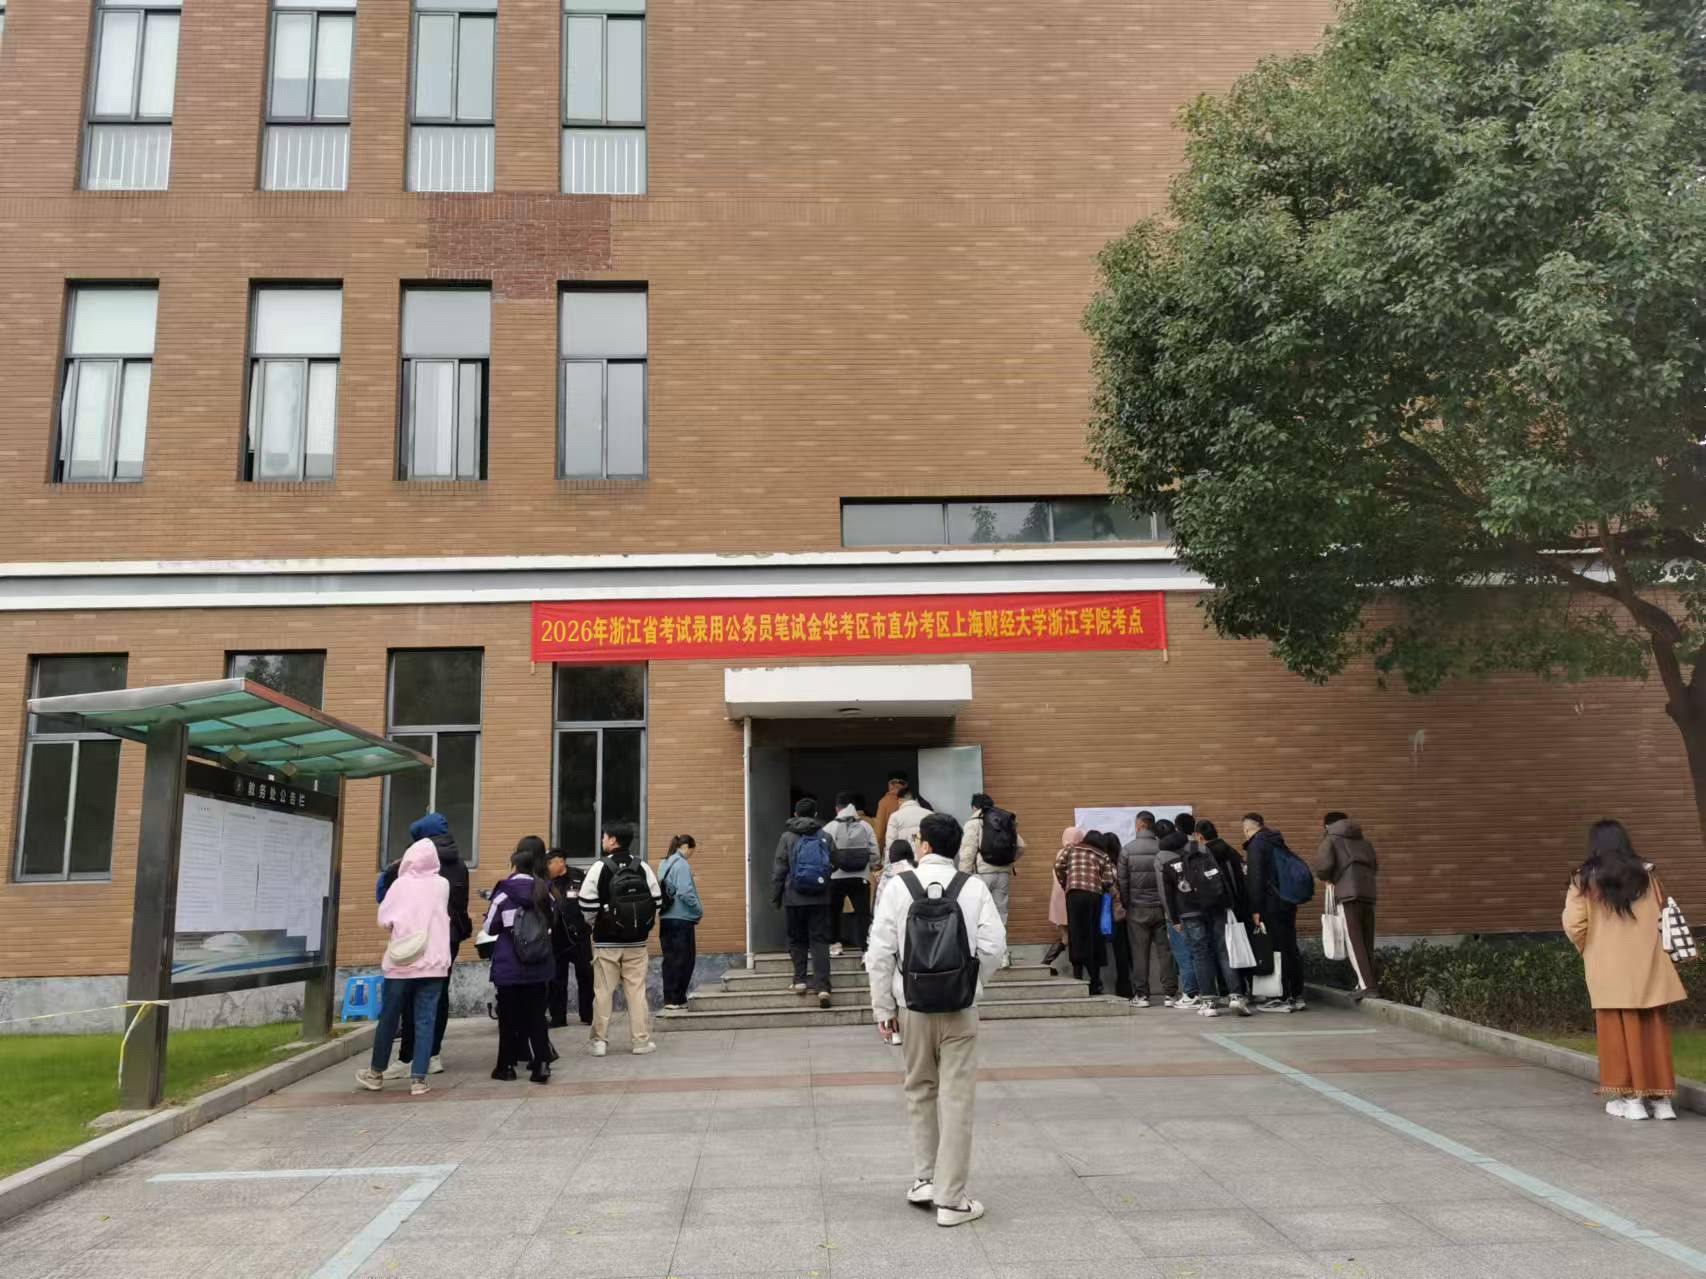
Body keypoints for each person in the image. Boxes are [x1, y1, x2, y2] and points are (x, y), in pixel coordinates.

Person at [864, 811, 1006, 1228]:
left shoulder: (899, 886)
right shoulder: (972, 886)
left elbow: (879, 953)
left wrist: (883, 1009)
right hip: (960, 1009)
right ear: (956, 846)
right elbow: (994, 947)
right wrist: (970, 981)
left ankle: (925, 1179)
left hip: (912, 1007)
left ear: (924, 844)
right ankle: (952, 1200)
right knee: (956, 1099)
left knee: (919, 1091)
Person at [1563, 820, 1686, 1120]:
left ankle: (1632, 1101)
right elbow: (1662, 913)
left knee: (1616, 1037)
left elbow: (1574, 924)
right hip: (1650, 967)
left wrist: (1593, 949)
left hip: (1609, 971)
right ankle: (1662, 1103)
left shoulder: (1584, 879)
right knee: (1654, 1035)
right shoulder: (1648, 874)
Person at [376, 812, 472, 1078]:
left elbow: (385, 900)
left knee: (408, 997)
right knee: (437, 997)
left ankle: (407, 1057)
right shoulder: (460, 865)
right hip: (447, 939)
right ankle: (432, 1055)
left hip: (413, 939)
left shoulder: (412, 866)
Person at [357, 838, 451, 1096]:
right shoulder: (442, 884)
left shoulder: (399, 885)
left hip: (402, 961)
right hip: (434, 963)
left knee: (389, 1017)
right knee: (425, 1020)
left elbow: (384, 920)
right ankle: (418, 1080)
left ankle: (376, 1073)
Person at [577, 821, 664, 1056]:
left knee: (603, 992)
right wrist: (641, 926)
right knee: (636, 992)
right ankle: (640, 1042)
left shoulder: (599, 867)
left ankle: (599, 1042)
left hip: (606, 942)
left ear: (613, 840)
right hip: (637, 942)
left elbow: (586, 903)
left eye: (604, 836)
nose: (602, 840)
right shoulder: (642, 866)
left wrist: (597, 924)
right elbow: (657, 901)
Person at [480, 837, 557, 1082]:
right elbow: (553, 921)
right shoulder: (544, 891)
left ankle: (506, 1067)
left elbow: (489, 928)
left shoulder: (503, 892)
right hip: (539, 965)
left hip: (509, 966)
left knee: (508, 1019)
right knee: (537, 1016)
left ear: (514, 866)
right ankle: (541, 1064)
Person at [1163, 820, 1251, 1017]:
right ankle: (1236, 996)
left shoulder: (1170, 865)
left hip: (1190, 914)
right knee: (1224, 951)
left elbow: (1169, 895)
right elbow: (1223, 881)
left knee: (1200, 954)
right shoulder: (1208, 857)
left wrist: (1174, 919)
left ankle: (1209, 1002)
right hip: (1217, 908)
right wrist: (1229, 905)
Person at [772, 798, 837, 1007]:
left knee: (797, 939)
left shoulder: (787, 837)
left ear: (796, 814)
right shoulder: (825, 836)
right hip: (820, 897)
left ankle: (800, 980)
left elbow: (780, 868)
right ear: (815, 814)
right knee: (819, 941)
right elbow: (834, 862)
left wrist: (776, 895)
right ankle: (823, 987)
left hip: (794, 897)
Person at [1242, 813, 1305, 1013]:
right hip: (1287, 902)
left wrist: (1255, 909)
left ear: (1247, 829)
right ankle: (1296, 994)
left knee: (1277, 949)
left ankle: (1282, 997)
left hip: (1271, 905)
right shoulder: (1277, 842)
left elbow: (1256, 880)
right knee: (1290, 947)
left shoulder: (1256, 845)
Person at [1313, 812, 1379, 997]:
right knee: (1366, 941)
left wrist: (1327, 878)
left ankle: (1368, 987)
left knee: (1354, 941)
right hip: (1368, 894)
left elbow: (1323, 867)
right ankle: (1365, 983)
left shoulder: (1330, 840)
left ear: (1327, 825)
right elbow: (1375, 866)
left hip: (1347, 895)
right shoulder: (1365, 842)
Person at [958, 793, 1025, 968]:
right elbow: (1021, 846)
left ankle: (977, 955)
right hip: (1003, 874)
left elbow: (968, 851)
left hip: (982, 874)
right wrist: (1008, 861)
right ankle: (1003, 956)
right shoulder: (1003, 820)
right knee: (1001, 915)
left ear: (974, 807)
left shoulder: (974, 822)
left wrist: (962, 877)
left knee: (977, 914)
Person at [1118, 812, 1176, 1008]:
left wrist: (1127, 905)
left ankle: (1142, 995)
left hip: (1137, 909)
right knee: (1165, 952)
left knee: (1139, 953)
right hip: (1162, 908)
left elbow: (1122, 882)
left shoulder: (1127, 850)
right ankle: (1170, 994)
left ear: (1139, 825)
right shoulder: (1163, 848)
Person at [1054, 827, 1114, 996]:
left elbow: (1058, 865)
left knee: (1075, 934)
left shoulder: (1071, 849)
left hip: (1074, 895)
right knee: (1093, 936)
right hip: (1094, 897)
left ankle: (1078, 978)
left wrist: (1066, 883)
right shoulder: (1102, 855)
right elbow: (1109, 880)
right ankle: (1095, 982)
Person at [544, 849, 594, 1027]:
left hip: (579, 936)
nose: (547, 866)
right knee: (556, 979)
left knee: (586, 975)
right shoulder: (546, 882)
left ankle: (588, 1015)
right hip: (556, 937)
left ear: (561, 862)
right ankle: (558, 1017)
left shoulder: (579, 877)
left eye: (549, 862)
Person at [826, 792, 879, 956]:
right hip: (860, 876)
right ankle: (866, 947)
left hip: (836, 876)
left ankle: (835, 944)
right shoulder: (865, 826)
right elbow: (874, 851)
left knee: (833, 911)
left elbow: (824, 852)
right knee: (863, 913)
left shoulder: (830, 827)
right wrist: (870, 868)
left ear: (837, 808)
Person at [1156, 817, 1200, 1009]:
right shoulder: (1196, 848)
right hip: (1199, 909)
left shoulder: (1162, 857)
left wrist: (1171, 916)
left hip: (1178, 911)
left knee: (1183, 952)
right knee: (1200, 952)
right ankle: (1206, 991)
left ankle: (1190, 993)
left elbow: (1164, 891)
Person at [658, 834, 704, 1009]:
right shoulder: (682, 864)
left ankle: (669, 999)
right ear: (685, 847)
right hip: (682, 918)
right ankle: (677, 998)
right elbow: (685, 892)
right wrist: (698, 909)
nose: (691, 855)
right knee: (685, 959)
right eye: (691, 851)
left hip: (666, 918)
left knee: (669, 959)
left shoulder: (664, 863)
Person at [873, 771, 910, 856]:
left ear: (890, 785)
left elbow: (879, 833)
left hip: (893, 850)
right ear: (906, 785)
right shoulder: (915, 801)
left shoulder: (884, 802)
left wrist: (877, 855)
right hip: (912, 849)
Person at [884, 787, 932, 851]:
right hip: (925, 855)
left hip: (904, 856)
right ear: (915, 800)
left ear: (900, 800)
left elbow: (891, 845)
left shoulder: (894, 817)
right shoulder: (930, 814)